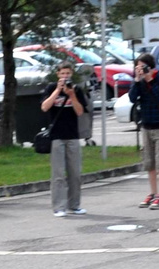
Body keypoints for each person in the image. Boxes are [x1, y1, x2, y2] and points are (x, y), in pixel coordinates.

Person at [41, 63, 89, 217]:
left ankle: (74, 205)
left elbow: (80, 112)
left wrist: (72, 95)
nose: (65, 76)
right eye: (62, 74)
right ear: (58, 74)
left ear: (71, 74)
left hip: (72, 135)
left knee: (75, 173)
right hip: (56, 136)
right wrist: (57, 91)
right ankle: (59, 207)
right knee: (58, 174)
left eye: (68, 73)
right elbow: (44, 107)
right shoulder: (50, 88)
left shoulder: (77, 90)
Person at [128, 53, 159, 209]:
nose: (141, 69)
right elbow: (132, 98)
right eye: (138, 67)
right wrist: (137, 80)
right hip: (147, 125)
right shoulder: (139, 80)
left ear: (151, 66)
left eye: (143, 66)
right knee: (149, 162)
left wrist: (149, 79)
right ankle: (152, 193)